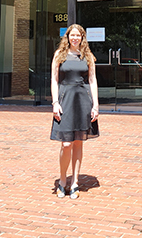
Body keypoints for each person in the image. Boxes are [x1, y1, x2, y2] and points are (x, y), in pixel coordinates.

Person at [50, 24, 99, 199]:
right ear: (68, 37)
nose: (75, 38)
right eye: (72, 35)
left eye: (78, 35)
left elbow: (92, 81)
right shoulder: (59, 55)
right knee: (65, 143)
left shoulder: (87, 56)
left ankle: (75, 182)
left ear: (82, 38)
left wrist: (95, 106)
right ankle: (63, 181)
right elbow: (54, 81)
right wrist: (55, 102)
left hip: (83, 102)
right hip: (65, 101)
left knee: (78, 142)